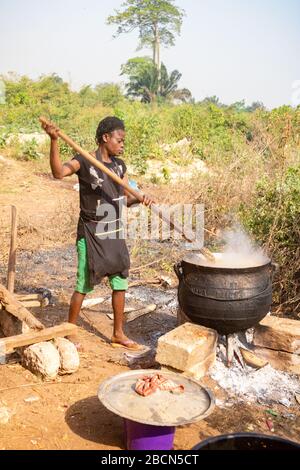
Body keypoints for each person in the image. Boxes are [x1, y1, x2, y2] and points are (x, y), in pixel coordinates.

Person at [42, 116, 154, 350]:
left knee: (120, 280)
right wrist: (54, 141)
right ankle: (70, 329)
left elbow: (124, 196)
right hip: (91, 231)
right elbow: (58, 173)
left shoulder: (119, 166)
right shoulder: (83, 160)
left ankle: (118, 333)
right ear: (106, 138)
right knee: (84, 282)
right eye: (119, 140)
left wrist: (141, 198)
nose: (122, 144)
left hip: (113, 230)